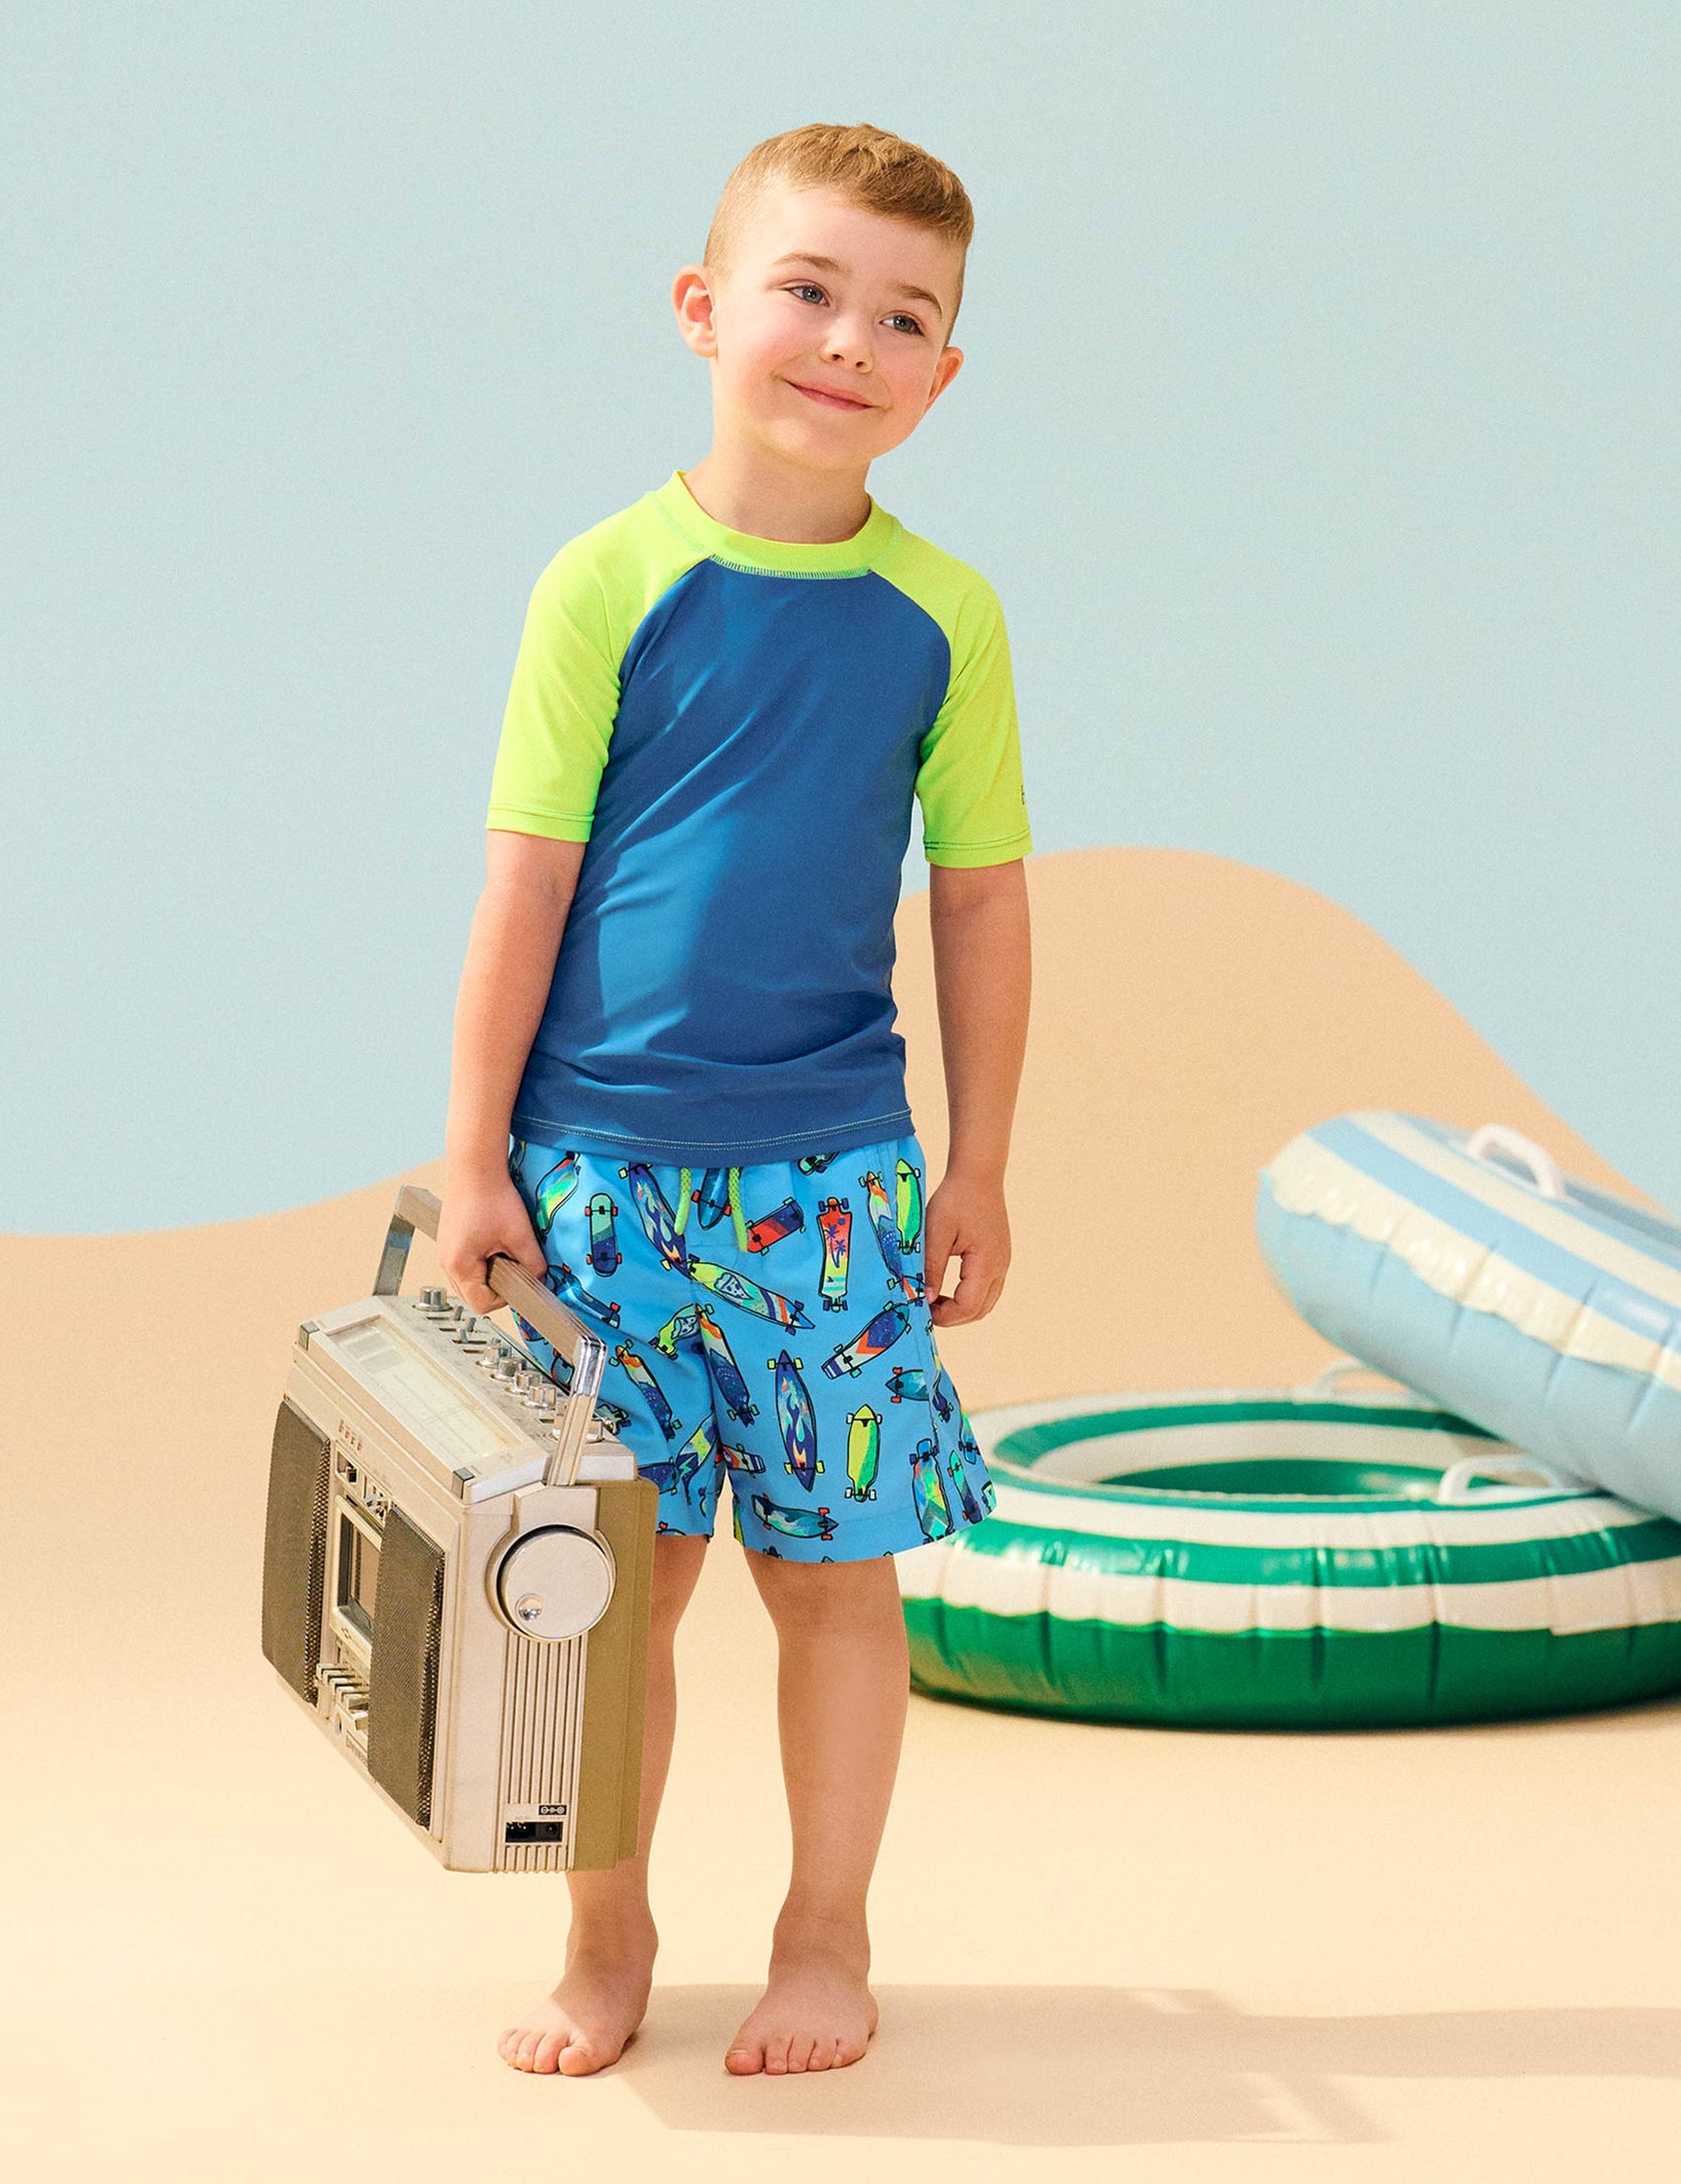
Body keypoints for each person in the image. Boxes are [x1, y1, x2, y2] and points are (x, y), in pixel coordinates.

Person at [439, 120, 1033, 2079]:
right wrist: (473, 1160)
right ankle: (605, 1938)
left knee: (835, 1588)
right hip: (598, 1186)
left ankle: (824, 1934)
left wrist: (978, 1164)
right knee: (613, 1602)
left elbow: (979, 899)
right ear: (703, 309)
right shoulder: (604, 580)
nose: (851, 341)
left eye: (903, 317)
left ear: (942, 374)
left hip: (837, 1189)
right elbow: (523, 883)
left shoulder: (943, 615)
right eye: (807, 290)